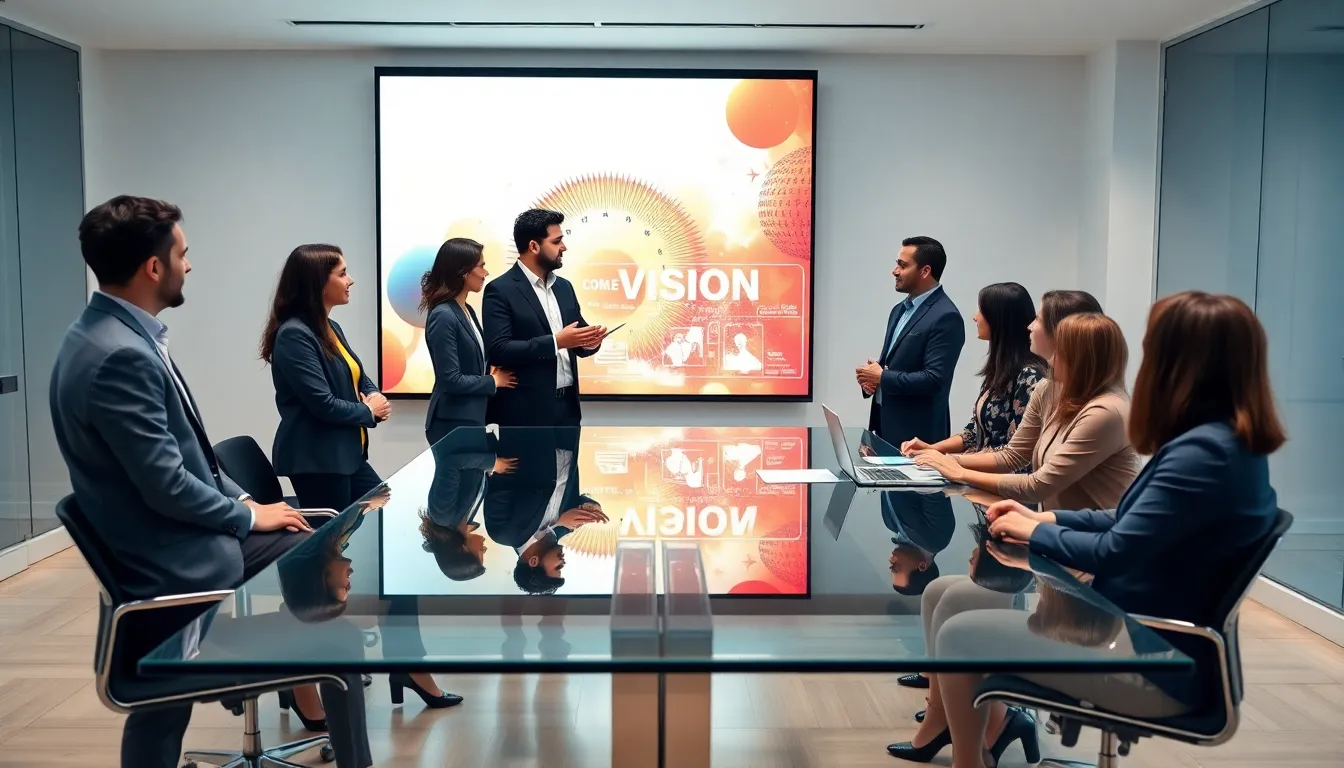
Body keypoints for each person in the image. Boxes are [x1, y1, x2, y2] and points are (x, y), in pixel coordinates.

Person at [898, 290, 1286, 768]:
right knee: (959, 612)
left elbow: (1116, 550)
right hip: (1157, 643)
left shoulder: (1199, 454)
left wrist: (1036, 532)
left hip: (1151, 660)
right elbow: (1126, 519)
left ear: (1178, 361)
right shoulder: (1223, 444)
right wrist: (1048, 519)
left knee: (960, 634)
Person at [48, 196, 368, 768]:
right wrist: (248, 517)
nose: (189, 265)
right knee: (336, 626)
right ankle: (254, 672)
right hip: (174, 570)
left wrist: (249, 501)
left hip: (177, 543)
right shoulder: (120, 355)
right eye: (183, 254)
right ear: (153, 267)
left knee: (312, 546)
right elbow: (167, 484)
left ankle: (267, 670)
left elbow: (189, 451)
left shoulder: (109, 334)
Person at [261, 244, 458, 710]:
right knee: (326, 574)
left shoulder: (330, 327)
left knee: (396, 552)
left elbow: (361, 380)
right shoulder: (294, 335)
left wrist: (370, 400)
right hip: (319, 464)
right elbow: (322, 404)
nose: (351, 281)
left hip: (347, 458)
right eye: (343, 273)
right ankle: (310, 674)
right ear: (317, 282)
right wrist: (366, 411)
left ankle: (404, 662)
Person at [914, 312, 1138, 513]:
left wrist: (958, 472)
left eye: (1059, 350)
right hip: (1063, 534)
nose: (1050, 359)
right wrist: (943, 460)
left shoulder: (1105, 412)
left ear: (1082, 360)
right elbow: (1014, 455)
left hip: (1095, 546)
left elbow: (1038, 486)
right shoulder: (1054, 390)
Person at [482, 209, 606, 427]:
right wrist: (556, 342)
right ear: (533, 246)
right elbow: (499, 349)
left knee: (569, 463)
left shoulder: (564, 287)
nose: (564, 247)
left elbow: (577, 338)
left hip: (568, 410)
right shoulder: (500, 290)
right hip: (524, 413)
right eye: (557, 241)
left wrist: (590, 342)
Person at [902, 282, 1047, 459]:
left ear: (997, 318)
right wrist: (931, 449)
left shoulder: (1029, 376)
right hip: (979, 473)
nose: (975, 317)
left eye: (981, 310)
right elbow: (974, 432)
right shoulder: (1000, 369)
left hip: (1001, 481)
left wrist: (949, 461)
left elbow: (1015, 454)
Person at [856, 236, 965, 447]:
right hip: (884, 432)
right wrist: (873, 381)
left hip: (919, 439)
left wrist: (883, 377)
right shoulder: (899, 310)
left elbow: (934, 380)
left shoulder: (946, 316)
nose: (894, 271)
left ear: (925, 271)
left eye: (902, 265)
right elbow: (893, 366)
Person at [421, 237, 516, 445]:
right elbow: (451, 380)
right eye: (481, 266)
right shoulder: (443, 315)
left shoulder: (467, 310)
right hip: (451, 423)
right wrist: (493, 381)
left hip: (472, 419)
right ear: (462, 271)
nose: (486, 272)